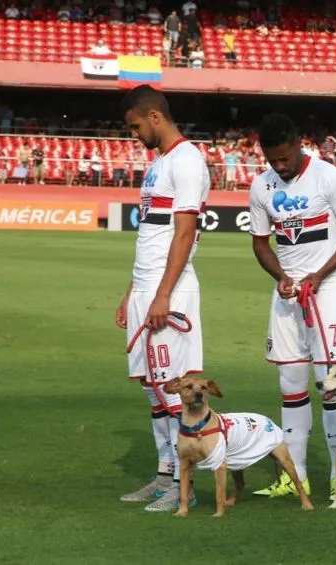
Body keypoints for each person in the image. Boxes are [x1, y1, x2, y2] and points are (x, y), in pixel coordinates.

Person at [248, 113, 336, 501]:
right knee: (290, 384)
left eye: (284, 158)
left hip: (328, 290)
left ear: (299, 144)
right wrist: (280, 276)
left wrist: (320, 274)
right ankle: (295, 477)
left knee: (332, 385)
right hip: (288, 295)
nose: (279, 166)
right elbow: (261, 241)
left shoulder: (328, 177)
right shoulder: (261, 185)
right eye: (272, 160)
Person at [115, 85, 210, 513]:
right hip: (148, 287)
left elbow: (184, 234)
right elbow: (150, 236)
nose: (135, 135)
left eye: (135, 126)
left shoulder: (187, 160)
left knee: (175, 391)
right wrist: (132, 292)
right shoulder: (159, 164)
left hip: (169, 291)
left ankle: (183, 484)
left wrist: (163, 295)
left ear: (154, 116)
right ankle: (164, 474)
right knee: (154, 390)